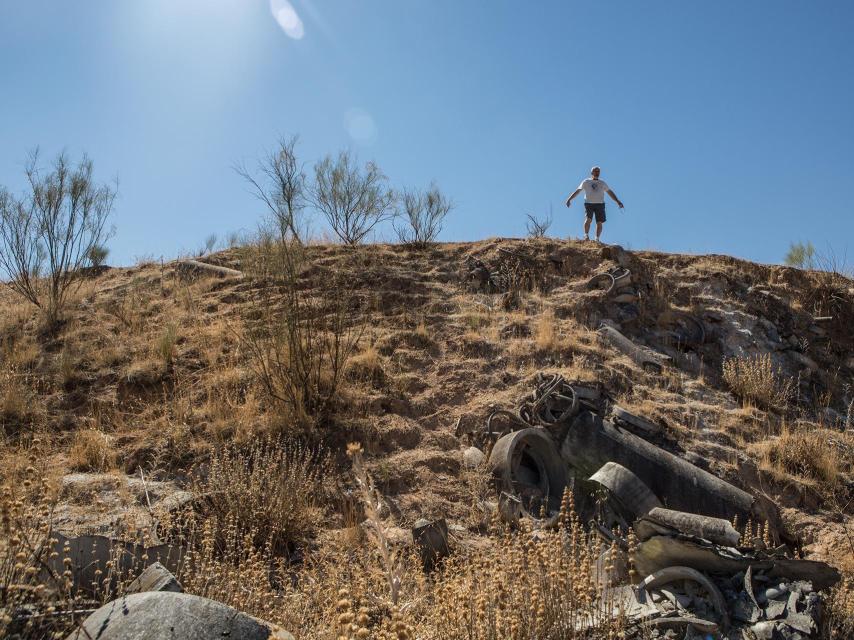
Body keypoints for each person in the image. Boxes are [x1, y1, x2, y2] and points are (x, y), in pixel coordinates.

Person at [565, 166, 624, 242]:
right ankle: (586, 235)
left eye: (598, 171)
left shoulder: (602, 183)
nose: (597, 173)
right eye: (595, 171)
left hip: (600, 204)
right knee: (588, 219)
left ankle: (597, 239)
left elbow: (610, 192)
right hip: (589, 204)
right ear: (591, 172)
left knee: (599, 222)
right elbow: (577, 191)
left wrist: (618, 201)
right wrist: (569, 199)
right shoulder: (586, 182)